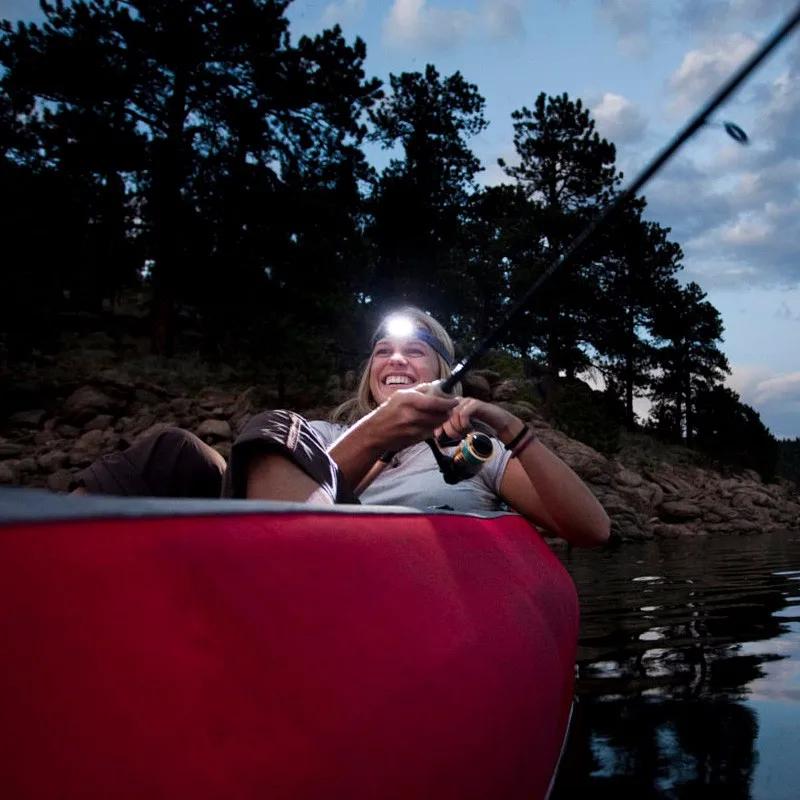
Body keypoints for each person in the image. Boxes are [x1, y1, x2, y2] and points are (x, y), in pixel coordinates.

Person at [71, 306, 610, 548]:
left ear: (443, 372)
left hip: (364, 586)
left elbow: (593, 531)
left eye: (414, 352)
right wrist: (378, 435)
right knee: (175, 449)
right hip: (267, 546)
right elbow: (277, 475)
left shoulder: (475, 450)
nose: (396, 360)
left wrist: (512, 427)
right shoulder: (321, 436)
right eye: (383, 351)